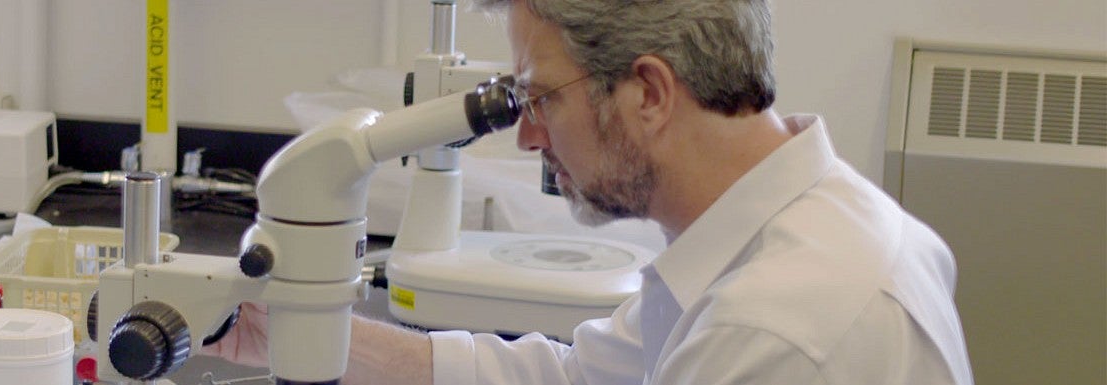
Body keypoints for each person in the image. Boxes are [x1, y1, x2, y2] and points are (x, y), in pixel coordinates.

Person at [202, 0, 974, 384]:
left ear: (647, 92)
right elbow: (577, 378)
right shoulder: (795, 227)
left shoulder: (777, 328)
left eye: (542, 99)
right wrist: (302, 331)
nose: (530, 136)